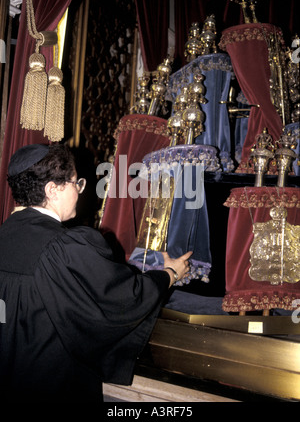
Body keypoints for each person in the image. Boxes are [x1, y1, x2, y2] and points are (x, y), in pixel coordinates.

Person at [0, 143, 192, 406]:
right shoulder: (64, 247)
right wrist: (169, 274)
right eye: (75, 183)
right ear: (52, 190)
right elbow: (122, 299)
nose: (79, 191)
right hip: (50, 387)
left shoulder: (5, 236)